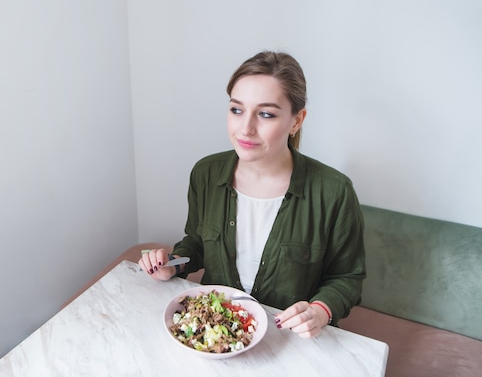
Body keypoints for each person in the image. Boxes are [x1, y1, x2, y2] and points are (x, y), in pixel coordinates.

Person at [139, 51, 365, 338]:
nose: (245, 128)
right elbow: (196, 242)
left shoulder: (334, 191)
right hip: (216, 330)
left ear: (297, 120)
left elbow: (347, 277)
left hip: (290, 339)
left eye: (266, 114)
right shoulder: (205, 173)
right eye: (236, 110)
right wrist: (172, 264)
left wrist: (320, 310)